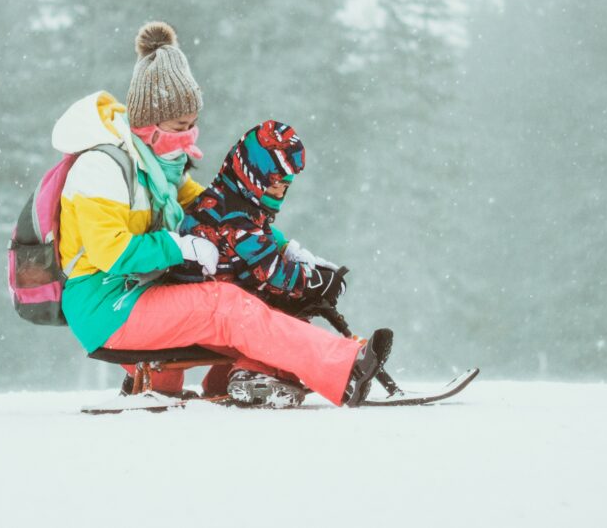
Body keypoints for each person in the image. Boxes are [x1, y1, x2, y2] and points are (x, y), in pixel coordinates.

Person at [51, 21, 392, 407]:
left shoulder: (160, 168)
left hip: (141, 292)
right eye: (181, 126)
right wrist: (181, 248)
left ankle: (242, 378)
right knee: (224, 306)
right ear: (149, 124)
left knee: (249, 295)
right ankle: (345, 369)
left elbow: (220, 213)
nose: (190, 136)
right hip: (105, 305)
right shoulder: (103, 168)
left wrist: (286, 248)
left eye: (194, 125)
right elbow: (108, 252)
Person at [172, 120, 352, 405]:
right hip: (216, 314)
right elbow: (272, 272)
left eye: (286, 184)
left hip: (216, 308)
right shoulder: (234, 216)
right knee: (283, 321)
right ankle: (254, 375)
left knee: (273, 306)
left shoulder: (230, 200)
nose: (280, 192)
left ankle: (223, 380)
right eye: (274, 183)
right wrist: (315, 281)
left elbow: (260, 255)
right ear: (252, 177)